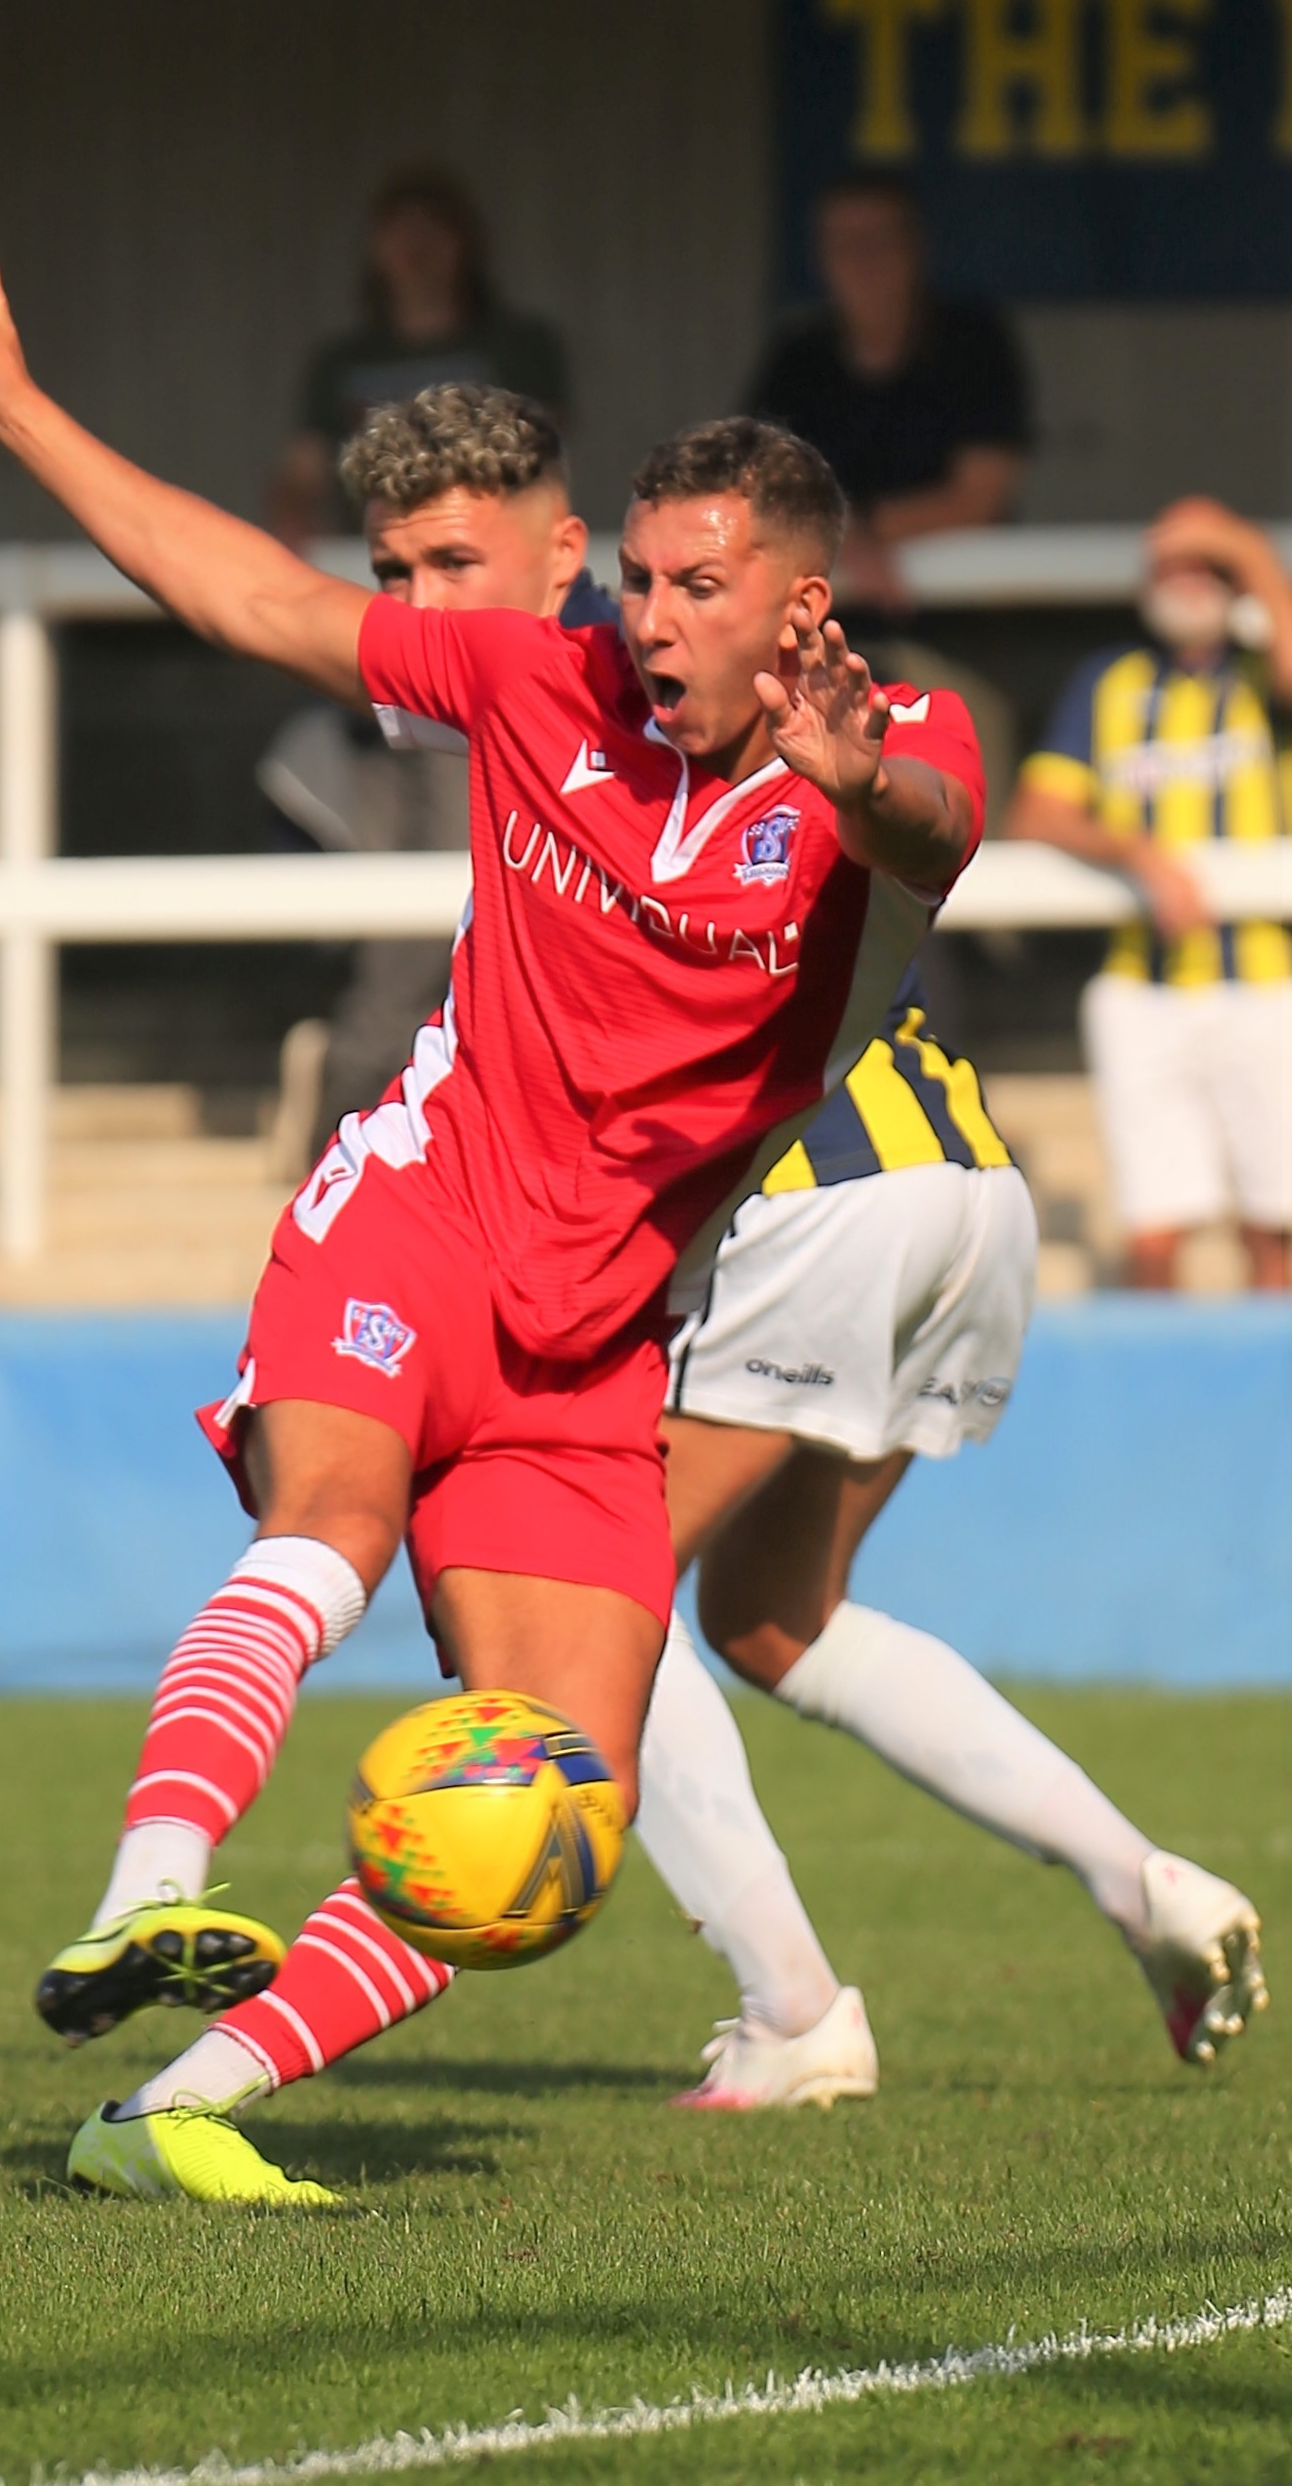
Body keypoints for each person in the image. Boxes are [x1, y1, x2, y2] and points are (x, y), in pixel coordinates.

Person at [0, 209, 982, 2208]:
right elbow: (252, 599)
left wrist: (855, 781)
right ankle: (148, 1891)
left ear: (801, 605)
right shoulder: (533, 674)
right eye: (640, 577)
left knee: (560, 1815)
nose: (651, 618)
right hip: (417, 1211)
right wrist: (21, 408)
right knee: (329, 1518)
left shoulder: (889, 754)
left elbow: (937, 832)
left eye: (700, 586)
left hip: (599, 1337)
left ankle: (167, 2112)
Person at [184, 389, 1267, 2144]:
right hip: (959, 1187)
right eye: (394, 566)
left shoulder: (691, 727)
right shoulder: (597, 715)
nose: (416, 594)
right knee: (771, 1621)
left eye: (448, 558)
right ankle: (1138, 1876)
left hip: (816, 1208)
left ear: (554, 556)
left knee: (580, 1597)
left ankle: (789, 2002)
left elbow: (914, 819)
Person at [1009, 499, 1292, 1292]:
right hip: (1145, 989)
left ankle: (1274, 1413)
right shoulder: (1108, 682)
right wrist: (1136, 850)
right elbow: (1037, 811)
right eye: (1169, 563)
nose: (1185, 581)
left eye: (1206, 566)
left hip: (1267, 986)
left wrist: (1245, 550)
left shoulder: (1259, 670)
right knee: (1154, 1239)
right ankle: (1162, 1413)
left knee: (1274, 1235)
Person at [747, 170, 1028, 815]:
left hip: (958, 645)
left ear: (915, 249)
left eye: (878, 241)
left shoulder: (971, 345)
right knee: (814, 835)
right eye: (844, 245)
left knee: (961, 823)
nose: (862, 262)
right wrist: (852, 541)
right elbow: (757, 488)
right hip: (817, 651)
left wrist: (856, 535)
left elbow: (979, 496)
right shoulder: (801, 358)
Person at [266, 168, 569, 550]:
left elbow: (543, 464)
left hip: (488, 551)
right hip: (374, 555)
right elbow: (302, 472)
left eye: (434, 228)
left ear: (466, 244)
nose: (417, 244)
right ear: (374, 248)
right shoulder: (341, 362)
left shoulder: (518, 346)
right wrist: (294, 523)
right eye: (400, 230)